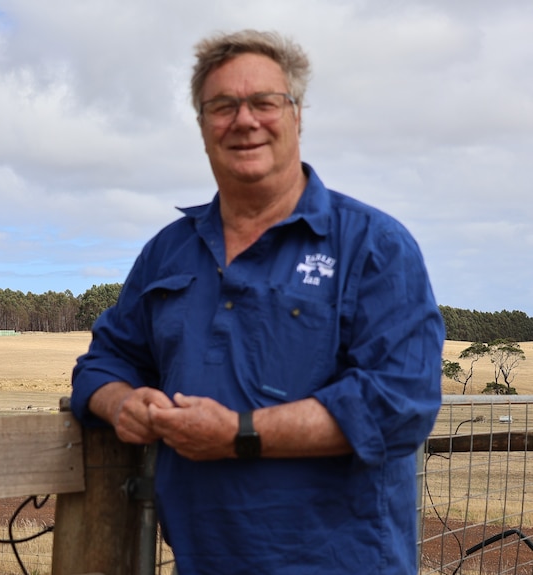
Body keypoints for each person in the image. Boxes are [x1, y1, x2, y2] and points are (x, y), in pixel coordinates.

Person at [70, 29, 444, 575]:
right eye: (222, 106)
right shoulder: (169, 252)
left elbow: (399, 403)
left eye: (265, 102)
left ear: (297, 115)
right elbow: (103, 362)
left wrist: (238, 435)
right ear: (202, 125)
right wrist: (120, 403)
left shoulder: (373, 245)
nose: (244, 120)